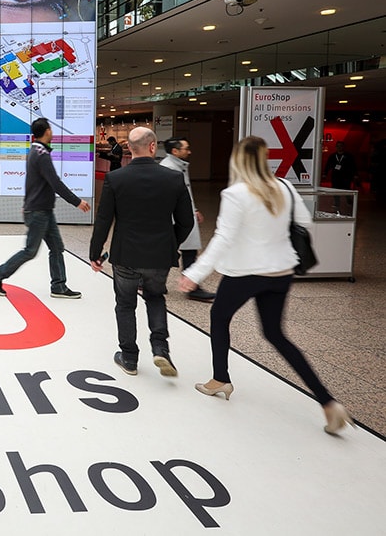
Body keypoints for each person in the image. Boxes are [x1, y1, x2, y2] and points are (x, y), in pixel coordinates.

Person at [179, 136, 354, 435]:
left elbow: (224, 238)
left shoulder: (235, 194)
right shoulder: (284, 186)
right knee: (275, 334)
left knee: (219, 317)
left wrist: (195, 273)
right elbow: (304, 223)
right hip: (281, 271)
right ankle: (328, 402)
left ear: (238, 161)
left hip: (245, 272)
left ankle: (220, 378)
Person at [89, 127, 194, 377]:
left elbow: (104, 220)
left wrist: (95, 253)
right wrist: (170, 242)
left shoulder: (116, 179)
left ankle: (129, 357)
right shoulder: (173, 178)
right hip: (159, 255)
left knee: (125, 304)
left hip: (125, 254)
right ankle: (160, 348)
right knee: (155, 297)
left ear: (129, 148)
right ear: (152, 146)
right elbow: (187, 221)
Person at [0, 117, 91, 299]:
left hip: (42, 210)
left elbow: (33, 183)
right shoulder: (41, 154)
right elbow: (55, 183)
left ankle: (59, 286)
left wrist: (27, 203)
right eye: (51, 129)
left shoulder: (35, 151)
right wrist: (77, 202)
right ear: (47, 131)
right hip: (38, 212)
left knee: (57, 247)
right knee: (30, 251)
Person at [160, 137, 215, 303]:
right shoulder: (170, 168)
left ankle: (156, 282)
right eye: (186, 148)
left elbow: (185, 193)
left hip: (182, 216)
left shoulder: (178, 166)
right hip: (177, 218)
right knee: (177, 250)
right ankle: (191, 287)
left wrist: (194, 209)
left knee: (180, 250)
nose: (189, 151)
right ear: (175, 151)